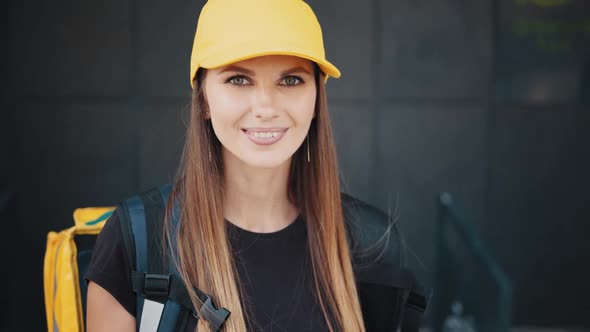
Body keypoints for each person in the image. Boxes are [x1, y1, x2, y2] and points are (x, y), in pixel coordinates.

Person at [85, 0, 428, 331]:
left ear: (316, 100)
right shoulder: (136, 240)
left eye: (291, 80)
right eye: (239, 79)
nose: (266, 106)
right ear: (203, 97)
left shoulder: (371, 244)